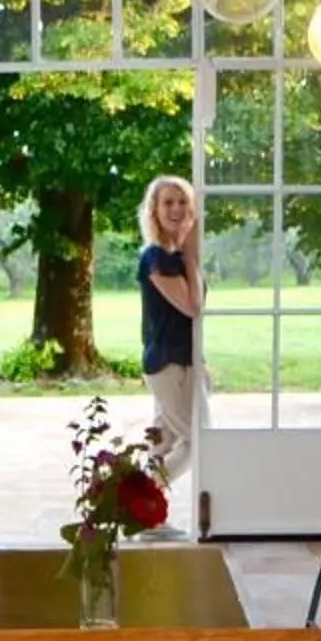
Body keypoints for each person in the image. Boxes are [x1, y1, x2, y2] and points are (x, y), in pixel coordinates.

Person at [136, 175, 205, 501]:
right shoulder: (156, 258)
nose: (176, 209)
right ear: (155, 210)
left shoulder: (176, 257)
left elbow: (190, 318)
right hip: (165, 362)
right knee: (197, 442)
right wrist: (191, 259)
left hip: (185, 359)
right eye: (168, 202)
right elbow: (193, 307)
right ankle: (139, 501)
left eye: (182, 202)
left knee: (163, 441)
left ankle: (150, 517)